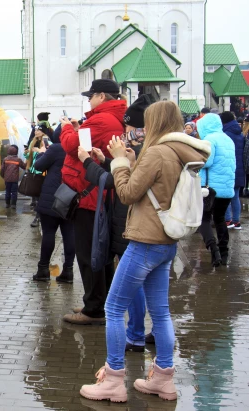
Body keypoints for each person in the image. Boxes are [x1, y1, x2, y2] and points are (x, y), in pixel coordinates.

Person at [80, 101, 211, 402]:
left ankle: (113, 380)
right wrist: (130, 159)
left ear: (155, 123)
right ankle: (163, 379)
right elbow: (157, 188)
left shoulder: (156, 152)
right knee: (161, 312)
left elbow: (126, 193)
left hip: (145, 243)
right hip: (166, 243)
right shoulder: (180, 152)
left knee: (113, 308)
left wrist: (119, 162)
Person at [77, 94, 153, 351]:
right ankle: (141, 334)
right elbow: (123, 173)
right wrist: (107, 160)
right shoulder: (145, 149)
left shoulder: (144, 152)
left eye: (130, 128)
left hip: (132, 224)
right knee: (147, 287)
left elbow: (119, 184)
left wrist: (87, 161)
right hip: (136, 224)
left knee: (128, 289)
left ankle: (133, 337)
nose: (126, 132)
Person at [59, 79, 126, 325]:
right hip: (97, 194)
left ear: (101, 96)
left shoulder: (102, 119)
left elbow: (70, 145)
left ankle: (94, 309)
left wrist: (66, 128)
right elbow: (85, 141)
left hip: (90, 198)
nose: (88, 100)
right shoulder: (109, 118)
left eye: (91, 96)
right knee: (100, 253)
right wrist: (79, 128)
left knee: (89, 254)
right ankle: (98, 301)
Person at [32, 123, 75, 283]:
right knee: (69, 234)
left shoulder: (56, 148)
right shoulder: (79, 148)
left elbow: (38, 166)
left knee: (49, 233)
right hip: (72, 197)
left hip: (52, 197)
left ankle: (43, 270)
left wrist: (42, 153)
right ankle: (68, 271)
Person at [197, 113, 235, 267]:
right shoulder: (228, 139)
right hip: (226, 188)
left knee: (204, 219)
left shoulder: (210, 140)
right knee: (220, 219)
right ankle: (224, 251)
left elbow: (206, 162)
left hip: (210, 189)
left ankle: (213, 249)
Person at [220, 112, 245, 230]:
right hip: (240, 169)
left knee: (227, 196)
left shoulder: (225, 134)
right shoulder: (240, 133)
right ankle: (236, 221)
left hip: (229, 168)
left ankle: (227, 220)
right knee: (235, 196)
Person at [0, 145, 26, 209]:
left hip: (7, 179)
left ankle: (7, 204)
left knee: (7, 191)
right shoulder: (18, 160)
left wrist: (3, 176)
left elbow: (2, 169)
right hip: (15, 179)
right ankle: (13, 205)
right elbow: (24, 167)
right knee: (14, 192)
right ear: (16, 152)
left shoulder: (5, 159)